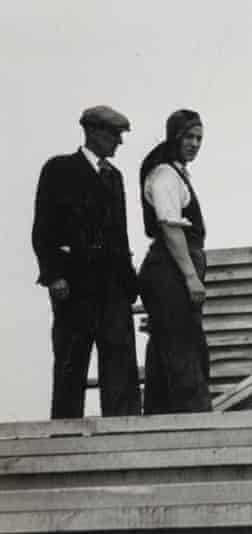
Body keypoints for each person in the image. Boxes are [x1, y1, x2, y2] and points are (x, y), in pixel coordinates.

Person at [31, 106, 142, 419]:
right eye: (114, 134)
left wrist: (130, 286)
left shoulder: (114, 177)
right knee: (71, 364)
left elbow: (120, 236)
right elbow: (43, 229)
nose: (119, 142)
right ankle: (65, 440)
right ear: (92, 131)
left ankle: (122, 435)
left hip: (113, 289)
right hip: (74, 287)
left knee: (120, 366)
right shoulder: (59, 169)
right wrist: (54, 276)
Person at [138, 109, 212, 414]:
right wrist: (190, 276)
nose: (195, 144)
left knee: (165, 348)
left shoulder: (177, 172)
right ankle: (196, 422)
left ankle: (158, 420)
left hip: (172, 269)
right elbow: (170, 227)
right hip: (170, 270)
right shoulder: (165, 174)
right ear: (175, 137)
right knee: (186, 347)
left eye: (199, 138)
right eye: (189, 137)